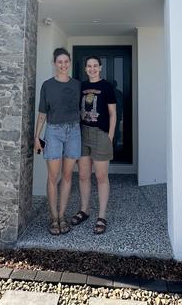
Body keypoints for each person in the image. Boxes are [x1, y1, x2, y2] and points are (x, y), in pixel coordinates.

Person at [34, 48, 81, 235]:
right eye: (59, 62)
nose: (63, 65)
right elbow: (42, 113)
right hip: (53, 131)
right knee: (53, 177)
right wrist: (37, 136)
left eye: (66, 61)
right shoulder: (47, 85)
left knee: (68, 176)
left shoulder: (77, 84)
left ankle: (62, 215)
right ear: (54, 63)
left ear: (69, 62)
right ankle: (53, 217)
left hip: (74, 132)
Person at [71, 56, 116, 234]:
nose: (92, 68)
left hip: (101, 134)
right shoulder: (81, 86)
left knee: (101, 176)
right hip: (82, 134)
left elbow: (113, 113)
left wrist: (110, 137)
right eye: (89, 66)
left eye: (95, 66)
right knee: (83, 175)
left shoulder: (107, 86)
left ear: (100, 67)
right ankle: (85, 210)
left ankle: (102, 215)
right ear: (85, 69)